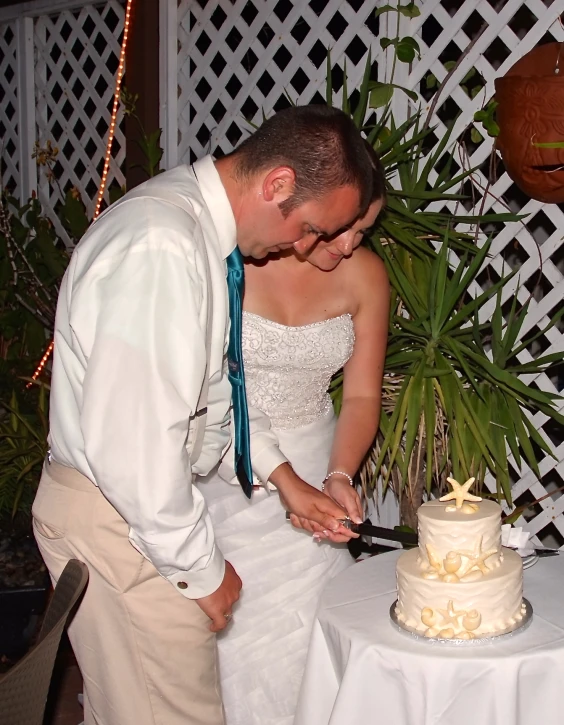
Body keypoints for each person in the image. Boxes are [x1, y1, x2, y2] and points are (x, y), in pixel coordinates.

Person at [31, 105, 374, 725]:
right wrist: (203, 571)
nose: (305, 247)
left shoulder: (192, 231)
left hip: (133, 512)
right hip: (123, 518)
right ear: (278, 185)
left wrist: (285, 479)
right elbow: (135, 448)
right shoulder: (162, 245)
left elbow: (215, 391)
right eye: (312, 229)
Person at [198, 148, 389, 725]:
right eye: (342, 227)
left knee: (312, 647)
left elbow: (359, 397)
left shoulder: (366, 275)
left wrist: (339, 474)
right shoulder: (230, 260)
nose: (350, 242)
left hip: (314, 461)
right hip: (220, 474)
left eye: (365, 229)